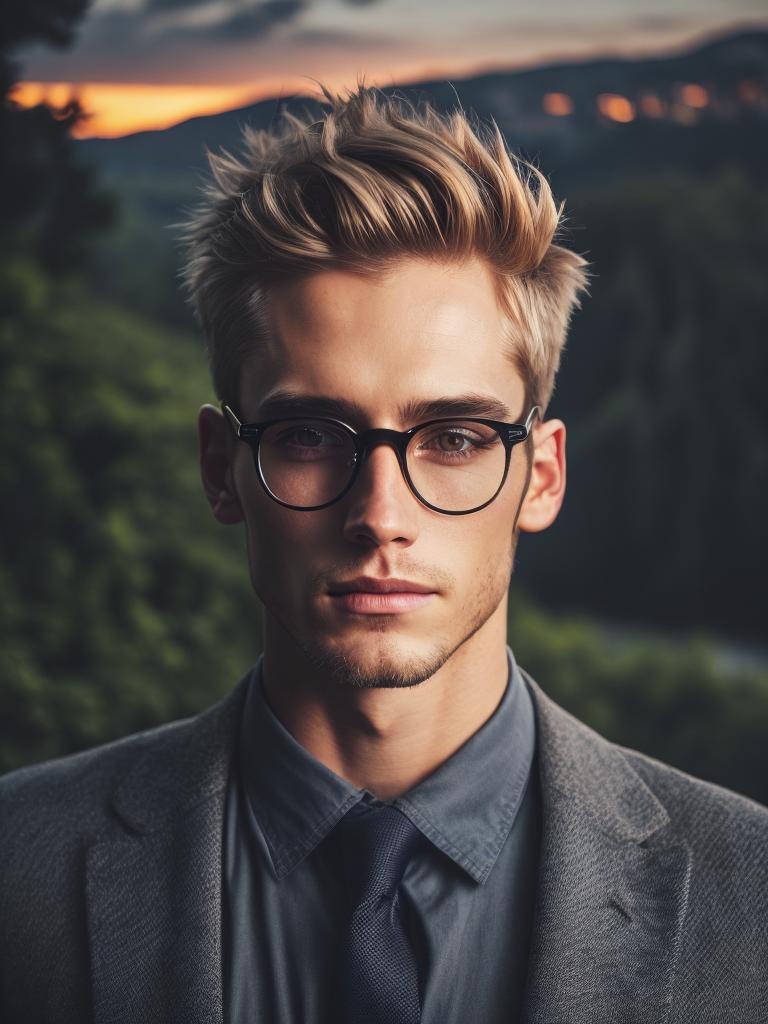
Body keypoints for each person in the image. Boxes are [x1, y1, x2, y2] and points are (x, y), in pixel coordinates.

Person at [1, 88, 766, 1024]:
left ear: (543, 475)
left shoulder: (751, 898)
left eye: (453, 438)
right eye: (312, 435)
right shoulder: (17, 867)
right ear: (220, 469)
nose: (381, 515)